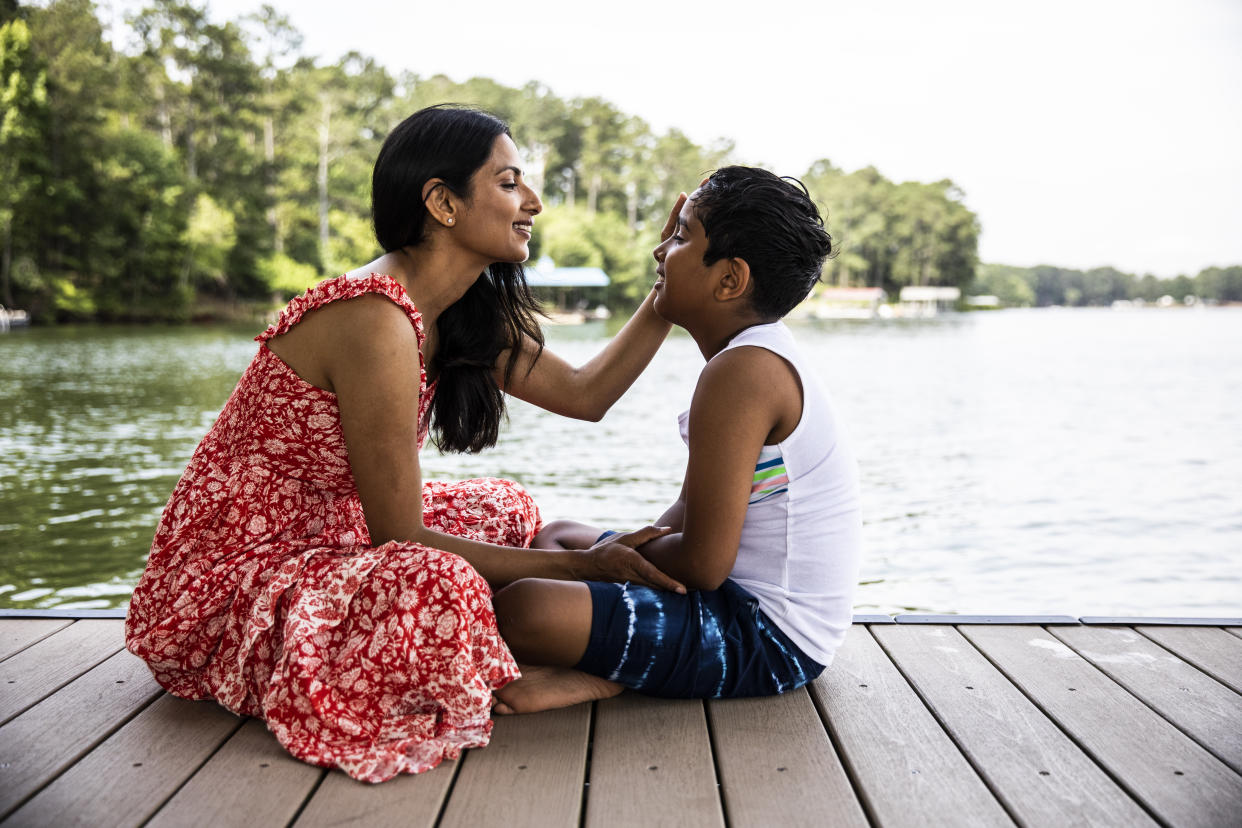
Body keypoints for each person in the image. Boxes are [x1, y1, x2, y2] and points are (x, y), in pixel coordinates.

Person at [124, 105, 685, 783]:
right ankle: (508, 667)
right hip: (227, 584)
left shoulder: (456, 309)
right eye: (510, 183)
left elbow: (587, 395)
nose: (531, 203)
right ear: (443, 202)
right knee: (436, 577)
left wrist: (667, 288)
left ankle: (493, 651)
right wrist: (588, 568)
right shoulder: (374, 316)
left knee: (501, 507)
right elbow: (402, 534)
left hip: (333, 535)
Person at [491, 166, 861, 714]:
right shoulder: (748, 357)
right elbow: (688, 512)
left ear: (730, 280)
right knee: (560, 537)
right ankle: (609, 665)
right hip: (724, 595)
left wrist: (615, 560)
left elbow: (704, 563)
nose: (661, 252)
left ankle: (611, 673)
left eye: (682, 236)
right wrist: (610, 556)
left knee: (522, 608)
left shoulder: (744, 373)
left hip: (770, 639)